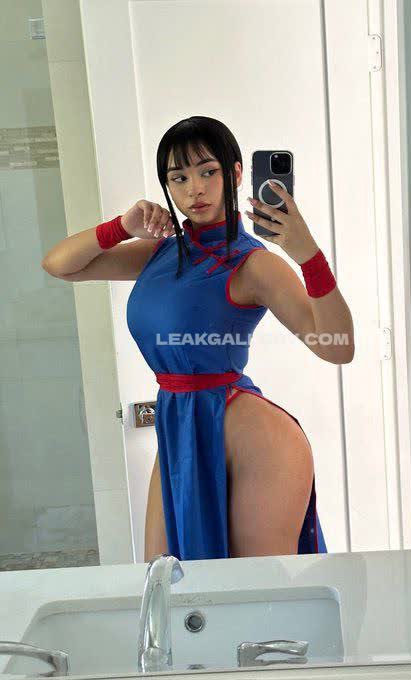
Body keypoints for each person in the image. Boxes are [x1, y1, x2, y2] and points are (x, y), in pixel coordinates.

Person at [41, 116, 355, 562]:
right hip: (179, 426)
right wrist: (121, 226)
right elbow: (59, 265)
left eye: (208, 171)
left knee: (258, 593)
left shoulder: (254, 264)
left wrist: (308, 256)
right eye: (179, 177)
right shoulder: (161, 252)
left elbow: (338, 346)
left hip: (255, 442)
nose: (195, 189)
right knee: (165, 586)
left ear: (236, 173)